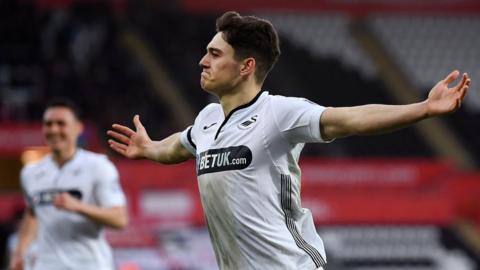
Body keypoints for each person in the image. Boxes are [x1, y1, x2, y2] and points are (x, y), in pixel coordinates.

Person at [107, 11, 470, 270]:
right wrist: (149, 148)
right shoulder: (207, 119)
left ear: (246, 66)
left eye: (215, 54)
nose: (203, 61)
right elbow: (178, 146)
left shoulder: (279, 114)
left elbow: (351, 119)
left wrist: (422, 108)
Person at [10, 99, 128, 270]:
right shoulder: (30, 173)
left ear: (78, 128)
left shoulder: (98, 166)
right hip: (47, 265)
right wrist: (19, 252)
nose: (53, 129)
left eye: (61, 123)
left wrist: (78, 206)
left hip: (89, 264)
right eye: (48, 124)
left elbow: (119, 219)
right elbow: (32, 214)